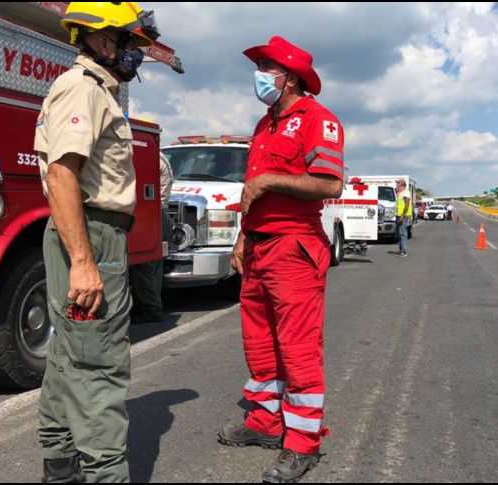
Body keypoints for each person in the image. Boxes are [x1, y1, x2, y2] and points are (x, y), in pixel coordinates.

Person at [34, 3, 162, 482]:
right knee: (99, 363)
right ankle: (104, 474)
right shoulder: (83, 89)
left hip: (85, 231)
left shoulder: (92, 89)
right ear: (104, 42)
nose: (136, 56)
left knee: (71, 354)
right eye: (130, 45)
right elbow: (62, 173)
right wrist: (86, 261)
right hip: (90, 234)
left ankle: (61, 462)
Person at [216, 36, 344, 483]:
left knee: (298, 348)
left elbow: (330, 185)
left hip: (294, 247)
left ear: (289, 77)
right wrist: (240, 241)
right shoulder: (264, 123)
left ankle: (302, 444)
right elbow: (252, 192)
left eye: (267, 67)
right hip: (257, 246)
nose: (260, 75)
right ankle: (266, 423)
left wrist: (272, 179)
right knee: (259, 342)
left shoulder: (318, 120)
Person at [129, 152, 173, 324]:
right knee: (152, 267)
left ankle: (151, 310)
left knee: (145, 266)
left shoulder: (151, 157)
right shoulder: (160, 157)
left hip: (153, 213)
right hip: (160, 213)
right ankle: (149, 306)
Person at [395, 179, 412, 257]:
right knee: (399, 233)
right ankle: (401, 249)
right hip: (399, 215)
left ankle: (403, 251)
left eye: (398, 183)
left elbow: (407, 204)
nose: (396, 185)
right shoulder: (400, 193)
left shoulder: (406, 192)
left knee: (403, 233)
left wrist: (402, 215)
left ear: (401, 185)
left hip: (403, 216)